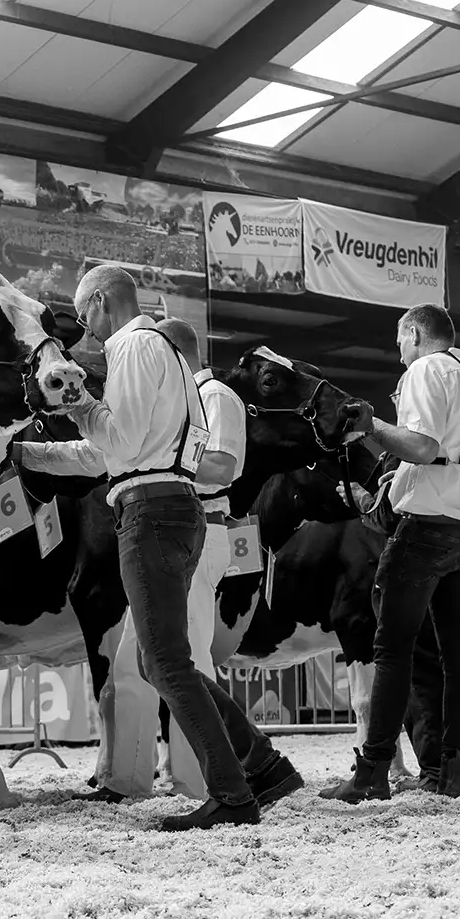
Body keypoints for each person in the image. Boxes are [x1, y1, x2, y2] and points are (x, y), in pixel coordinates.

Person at [20, 267, 290, 829]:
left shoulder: (136, 347)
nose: (85, 328)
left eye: (84, 314)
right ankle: (261, 764)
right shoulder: (161, 354)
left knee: (165, 663)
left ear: (101, 301)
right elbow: (114, 451)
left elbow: (118, 441)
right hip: (169, 506)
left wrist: (78, 401)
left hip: (152, 512)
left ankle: (234, 791)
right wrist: (34, 453)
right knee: (161, 661)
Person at [324, 304, 460, 803]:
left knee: (391, 649)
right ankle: (453, 768)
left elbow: (422, 447)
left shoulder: (427, 370)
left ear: (415, 334)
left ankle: (373, 770)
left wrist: (373, 426)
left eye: (399, 341)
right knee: (458, 650)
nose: (399, 351)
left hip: (425, 528)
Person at [154, 317, 301, 804]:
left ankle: (223, 773)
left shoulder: (214, 396)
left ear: (173, 354)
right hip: (177, 528)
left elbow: (223, 467)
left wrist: (156, 459)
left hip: (200, 525)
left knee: (187, 658)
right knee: (156, 660)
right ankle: (139, 776)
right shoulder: (187, 399)